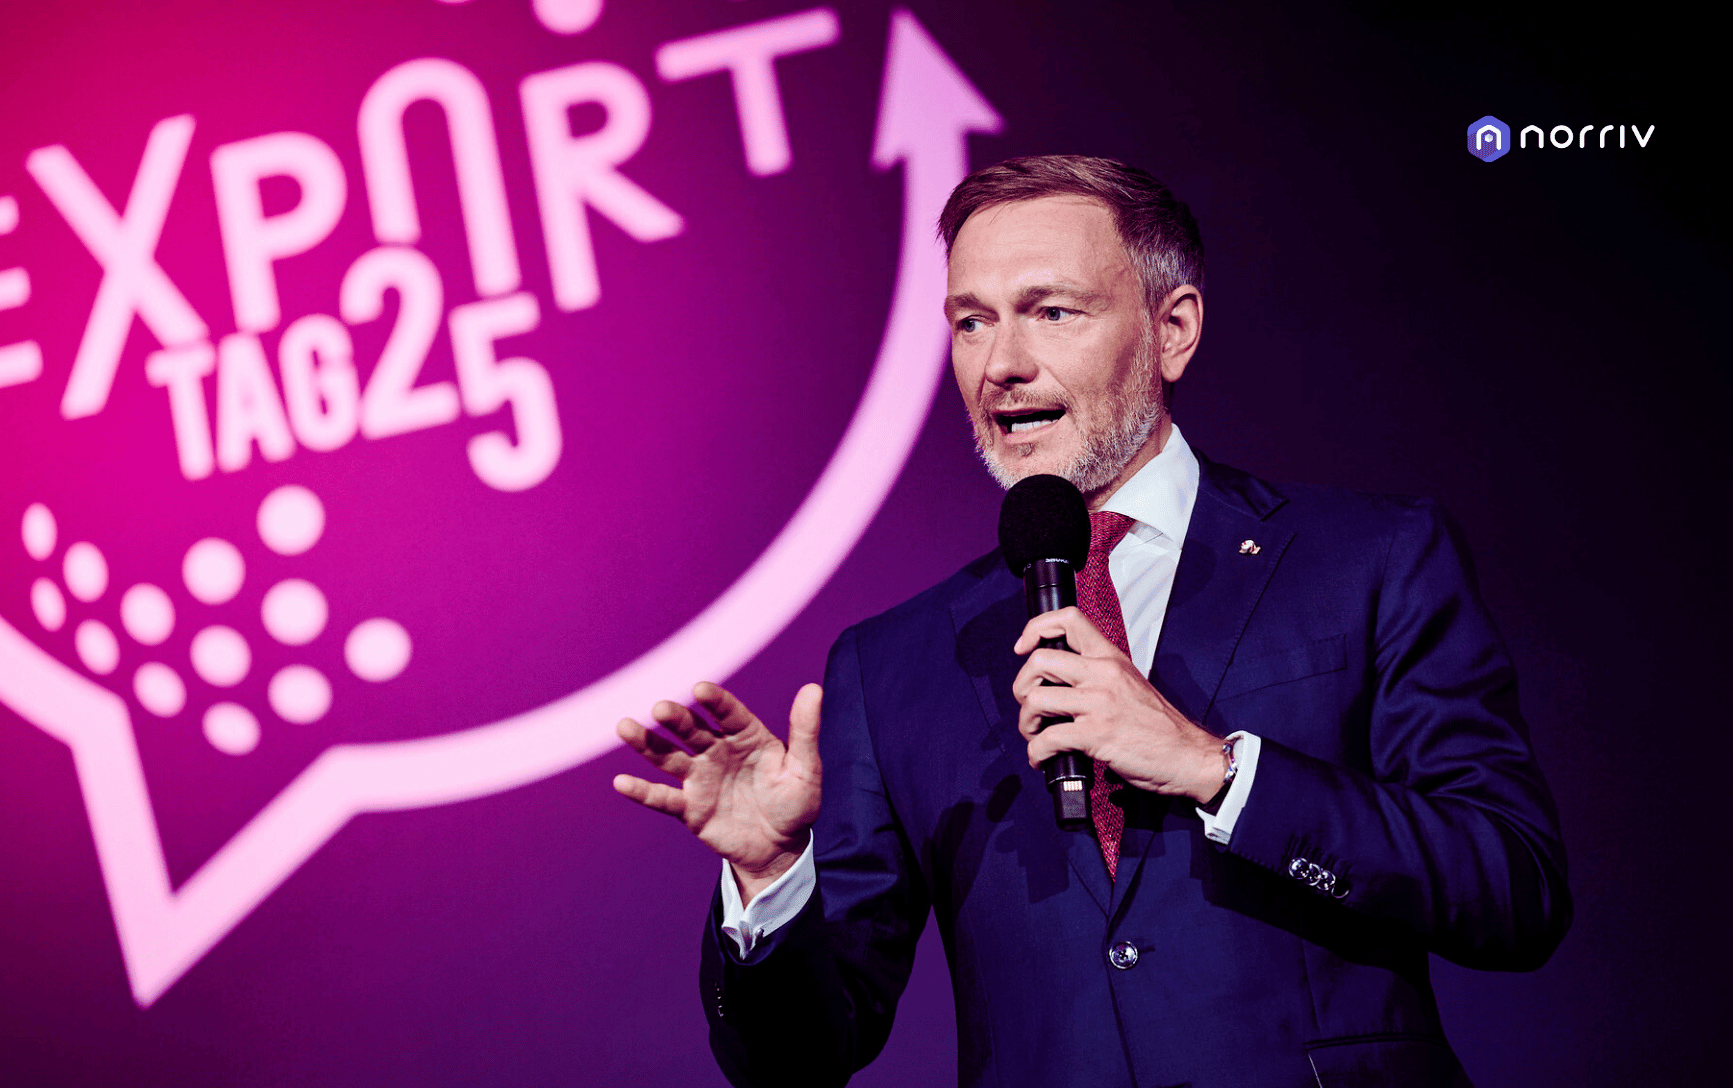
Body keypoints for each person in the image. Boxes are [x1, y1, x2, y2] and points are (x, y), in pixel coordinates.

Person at [612, 155, 1570, 1088]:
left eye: (1050, 312)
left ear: (1173, 329)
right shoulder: (891, 664)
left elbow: (1514, 890)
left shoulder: (1367, 558)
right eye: (971, 322)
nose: (1001, 366)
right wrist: (774, 877)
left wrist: (1217, 770)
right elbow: (798, 1060)